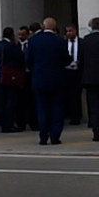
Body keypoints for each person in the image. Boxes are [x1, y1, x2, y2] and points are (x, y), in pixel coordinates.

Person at [25, 17, 70, 145]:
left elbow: (28, 60)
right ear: (55, 27)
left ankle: (43, 136)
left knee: (41, 109)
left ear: (43, 27)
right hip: (57, 80)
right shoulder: (59, 41)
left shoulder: (33, 41)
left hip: (39, 80)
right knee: (57, 109)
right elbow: (66, 59)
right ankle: (55, 136)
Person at [0, 27, 26, 133]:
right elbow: (21, 60)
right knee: (11, 101)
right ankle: (9, 124)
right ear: (12, 35)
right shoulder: (13, 46)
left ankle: (3, 124)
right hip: (10, 77)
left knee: (2, 102)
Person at [61, 24, 85, 126]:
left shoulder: (82, 42)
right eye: (67, 31)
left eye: (70, 31)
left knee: (77, 95)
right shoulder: (63, 43)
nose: (68, 33)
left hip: (78, 72)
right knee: (68, 95)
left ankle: (77, 116)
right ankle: (71, 116)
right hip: (66, 72)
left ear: (75, 31)